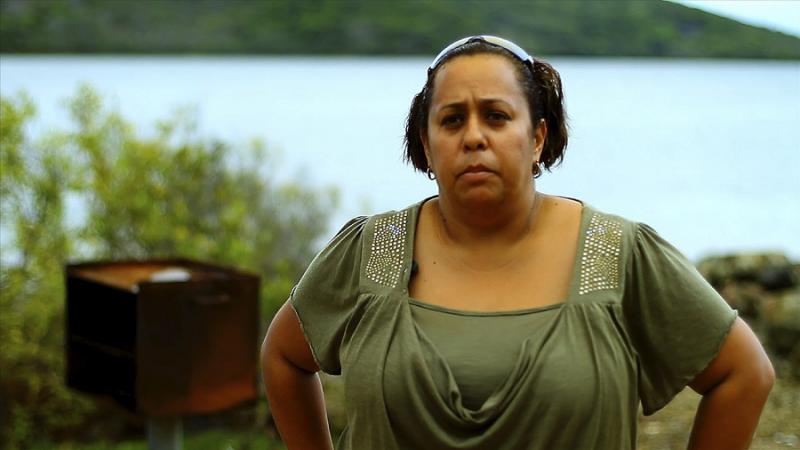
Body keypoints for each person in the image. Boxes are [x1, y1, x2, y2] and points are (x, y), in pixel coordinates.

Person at [261, 35, 775, 450]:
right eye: (452, 119)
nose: (474, 136)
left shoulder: (618, 253)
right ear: (426, 143)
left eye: (497, 116)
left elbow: (743, 374)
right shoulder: (373, 250)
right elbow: (284, 357)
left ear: (537, 138)